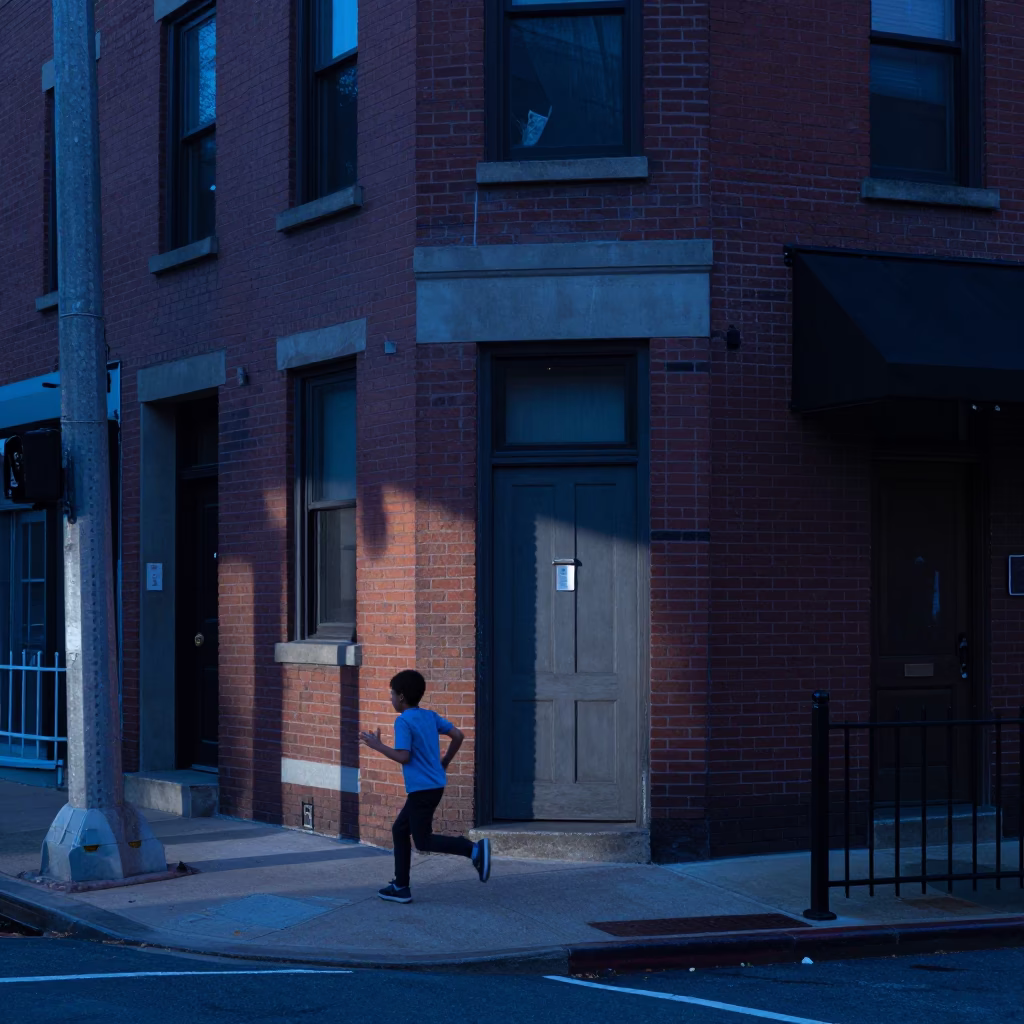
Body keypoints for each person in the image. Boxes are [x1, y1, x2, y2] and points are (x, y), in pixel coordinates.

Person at [358, 669, 491, 903]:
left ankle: (473, 850)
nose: (390, 698)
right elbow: (458, 736)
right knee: (400, 830)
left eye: (391, 694)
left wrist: (376, 746)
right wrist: (446, 761)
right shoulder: (429, 716)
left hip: (422, 789)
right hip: (434, 785)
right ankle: (400, 886)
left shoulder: (403, 721)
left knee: (422, 840)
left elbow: (404, 756)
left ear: (400, 696)